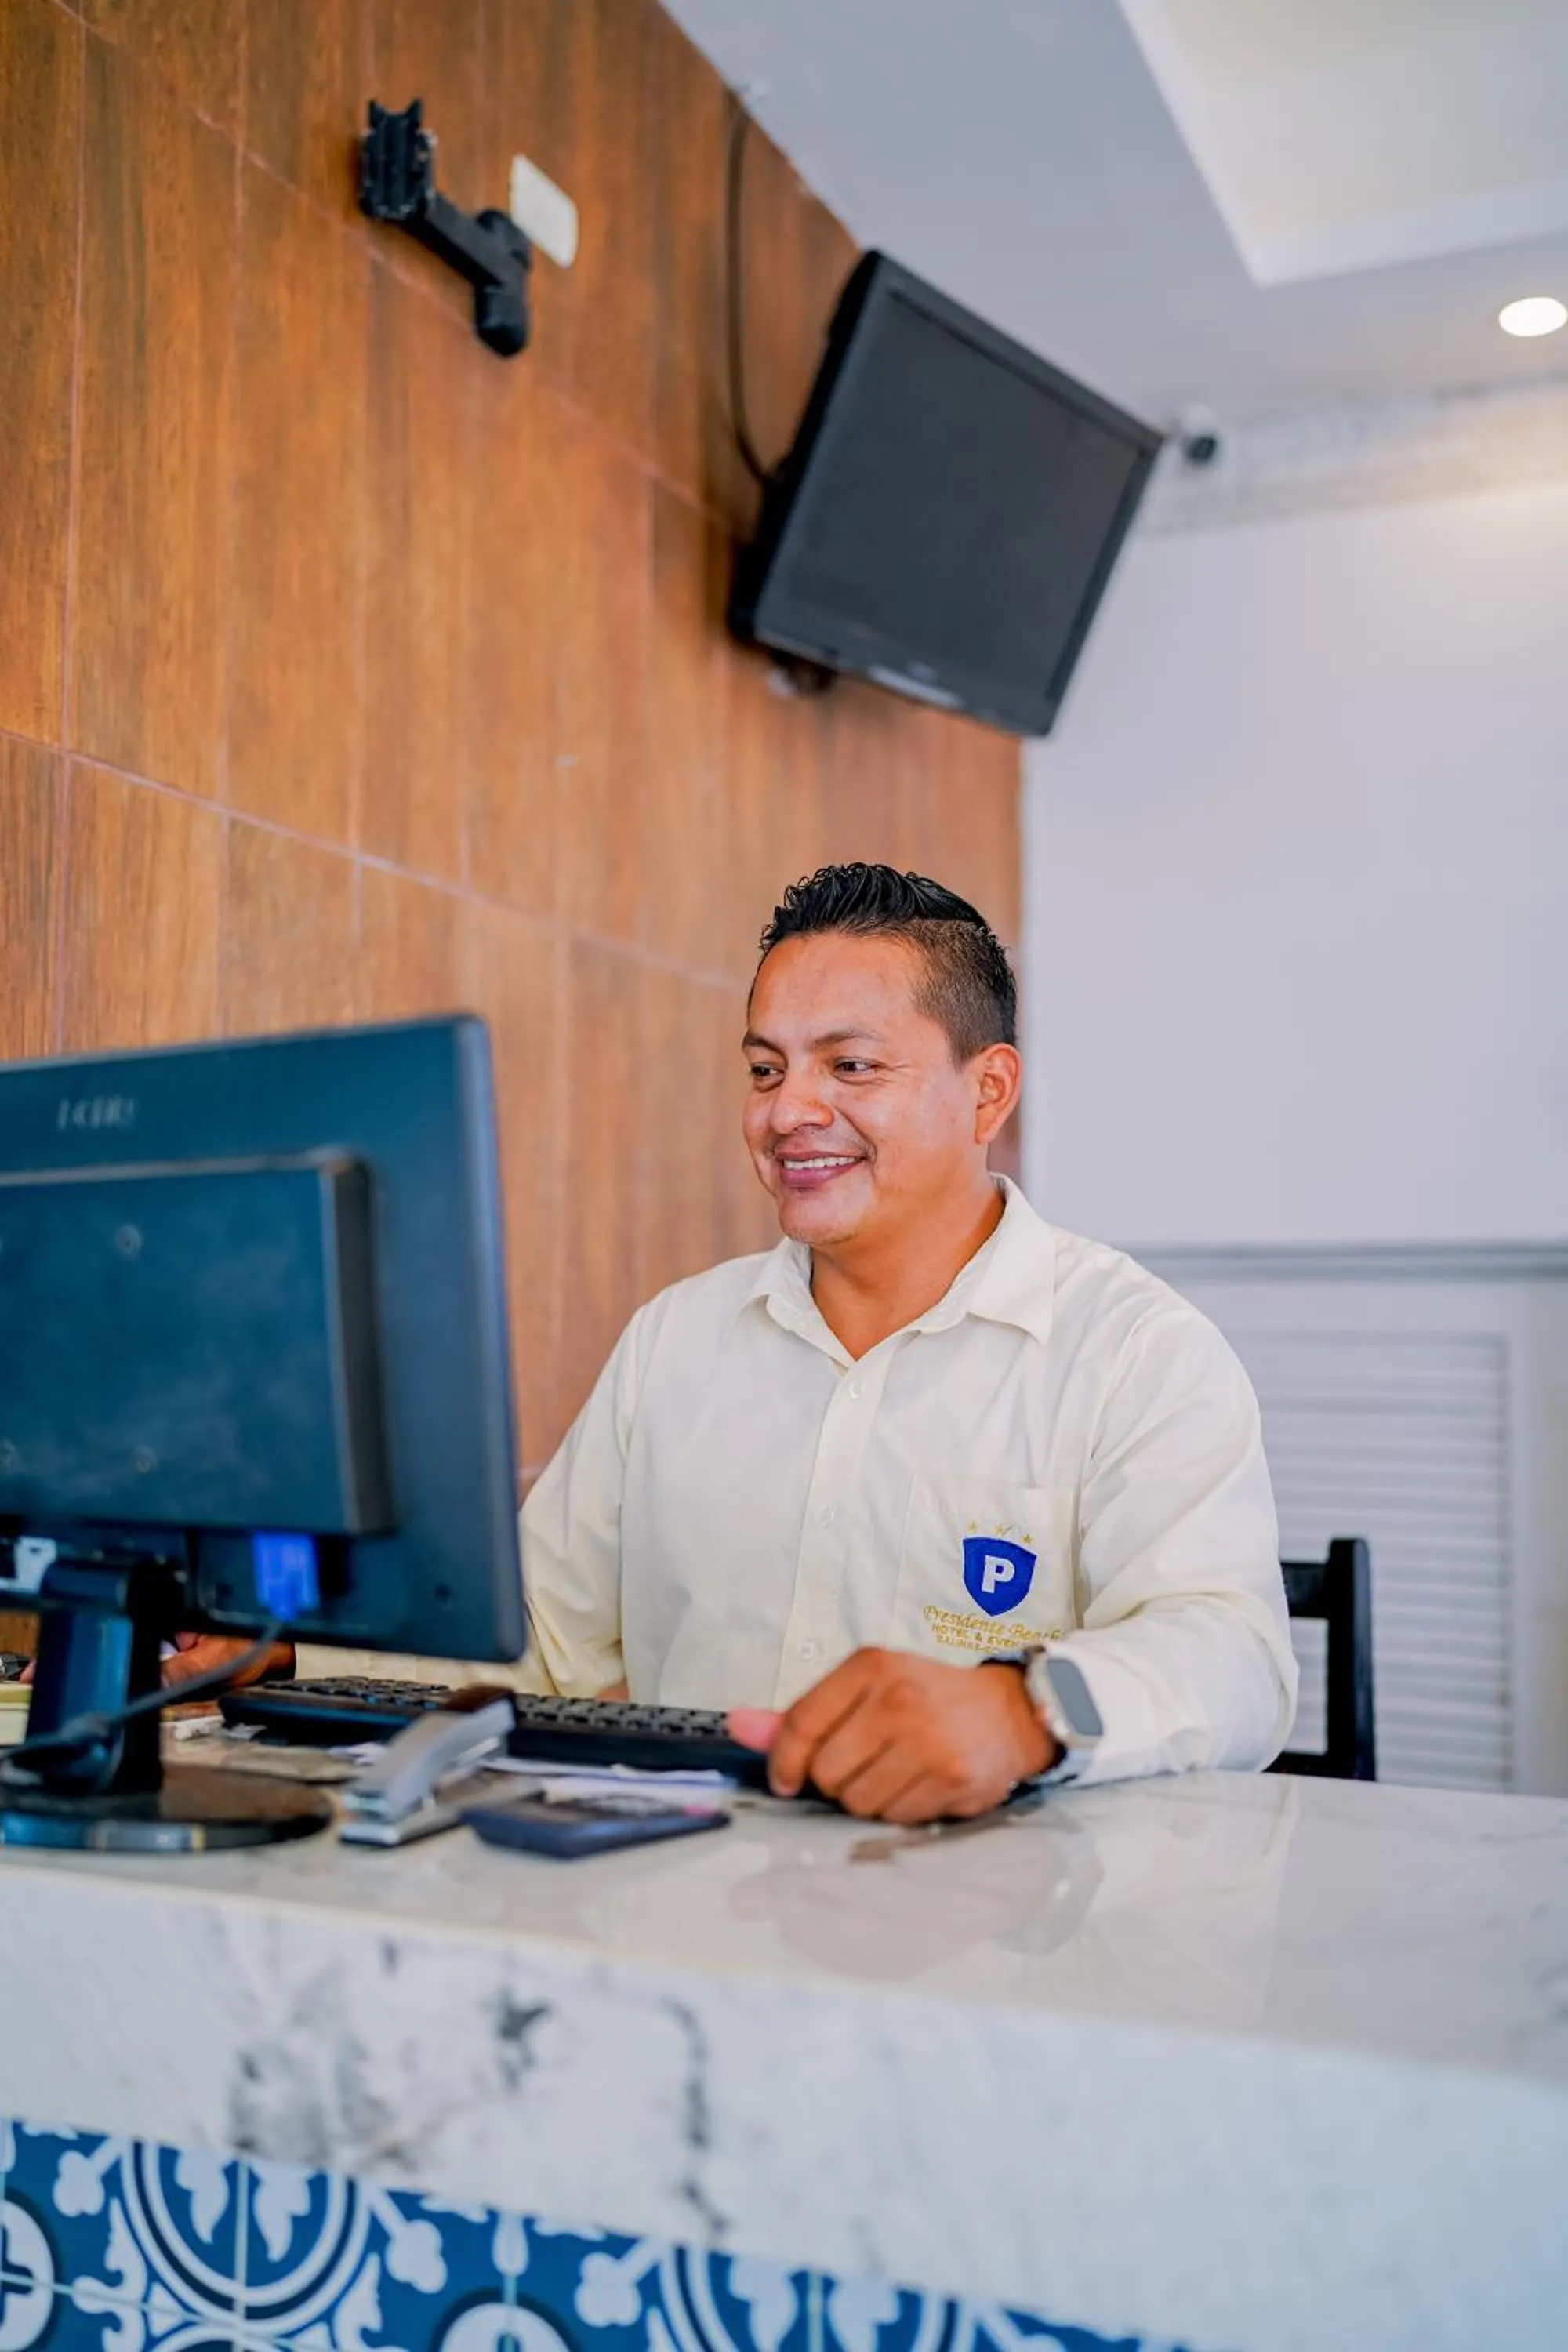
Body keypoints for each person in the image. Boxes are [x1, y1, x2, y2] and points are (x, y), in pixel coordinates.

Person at [207, 864, 1298, 1823]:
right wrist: (295, 1658)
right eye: (767, 1069)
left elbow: (1238, 1662)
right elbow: (539, 1637)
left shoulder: (1137, 1354)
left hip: (1004, 1940)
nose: (789, 1113)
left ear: (989, 1092)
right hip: (684, 1900)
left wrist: (1026, 1711)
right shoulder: (677, 1340)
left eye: (851, 1068)